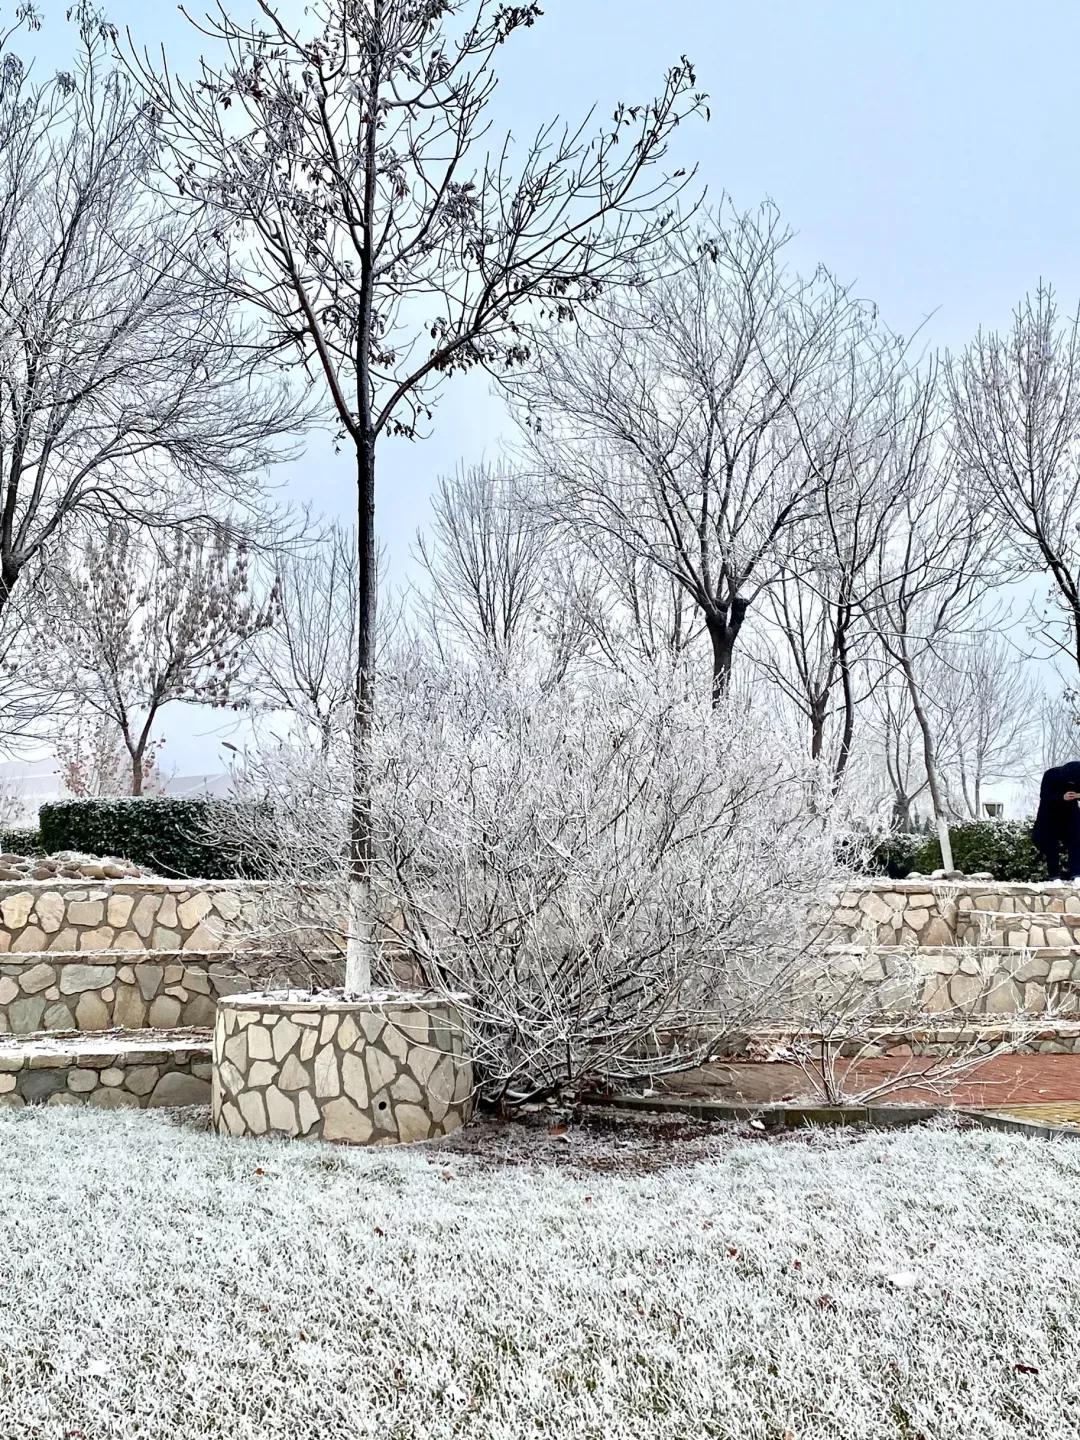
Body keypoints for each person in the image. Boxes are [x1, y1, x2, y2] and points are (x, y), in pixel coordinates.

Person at [1031, 762, 1080, 880]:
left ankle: (1077, 874)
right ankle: (1054, 876)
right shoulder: (1051, 774)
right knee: (1051, 845)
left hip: (1071, 814)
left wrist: (1078, 795)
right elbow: (1044, 795)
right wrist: (1061, 797)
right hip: (1050, 814)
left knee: (1076, 842)